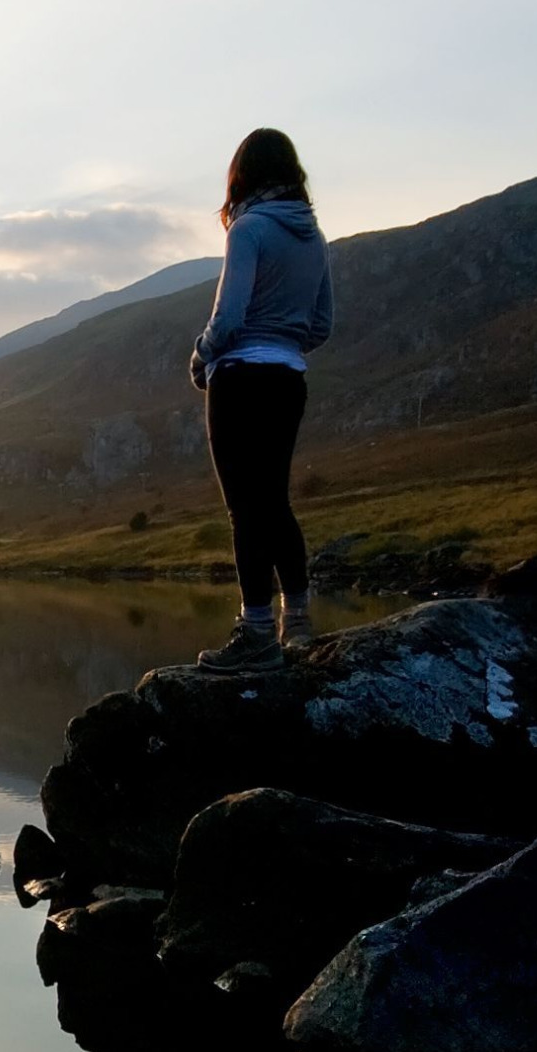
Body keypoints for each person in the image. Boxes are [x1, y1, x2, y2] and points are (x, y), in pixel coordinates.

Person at [190, 128, 335, 673]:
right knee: (274, 501)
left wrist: (202, 356)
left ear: (241, 174)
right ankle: (295, 622)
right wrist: (286, 342)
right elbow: (322, 324)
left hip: (241, 379)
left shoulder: (248, 229)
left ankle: (255, 634)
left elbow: (228, 318)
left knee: (244, 509)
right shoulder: (313, 237)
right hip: (288, 377)